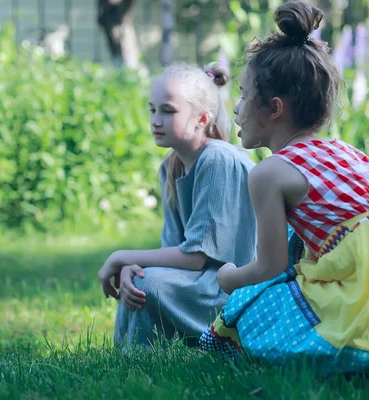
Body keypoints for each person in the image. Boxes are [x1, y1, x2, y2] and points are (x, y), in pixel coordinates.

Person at [200, 1, 369, 376]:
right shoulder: (345, 151)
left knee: (247, 308)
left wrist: (228, 276)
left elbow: (270, 267)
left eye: (244, 96)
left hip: (366, 289)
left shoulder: (269, 173)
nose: (235, 108)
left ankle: (352, 352)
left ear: (273, 108)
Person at [97, 62, 257, 349]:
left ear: (201, 118)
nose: (156, 120)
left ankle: (140, 359)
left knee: (149, 282)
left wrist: (121, 256)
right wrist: (132, 266)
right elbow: (172, 248)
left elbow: (196, 257)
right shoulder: (170, 166)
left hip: (234, 287)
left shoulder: (217, 159)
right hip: (202, 281)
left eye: (168, 111)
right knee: (142, 278)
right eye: (152, 109)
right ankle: (128, 358)